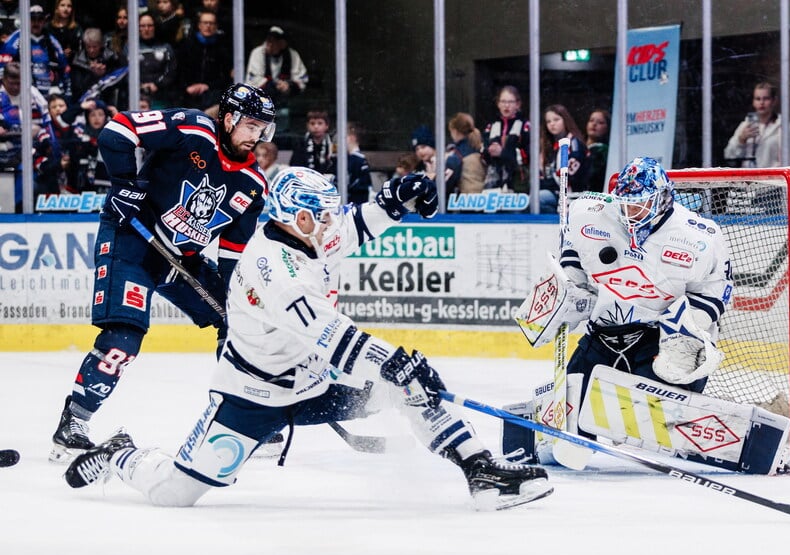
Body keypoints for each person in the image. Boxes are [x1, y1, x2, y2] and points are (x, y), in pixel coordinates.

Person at [62, 166, 553, 512]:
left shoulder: (304, 236)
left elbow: (355, 228)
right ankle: (121, 456)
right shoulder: (273, 269)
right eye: (320, 214)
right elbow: (332, 337)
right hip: (252, 395)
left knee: (406, 389)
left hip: (316, 385)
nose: (329, 222)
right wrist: (394, 360)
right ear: (296, 217)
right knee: (175, 492)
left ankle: (480, 470)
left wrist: (396, 197)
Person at [49, 83, 277, 463]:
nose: (257, 137)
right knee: (123, 337)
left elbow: (232, 255)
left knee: (237, 321)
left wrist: (239, 297)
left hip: (179, 261)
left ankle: (239, 418)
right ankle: (74, 422)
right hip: (133, 240)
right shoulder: (190, 128)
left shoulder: (252, 185)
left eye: (262, 129)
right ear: (231, 117)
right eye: (251, 126)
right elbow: (117, 130)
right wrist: (125, 186)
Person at [505, 157, 732, 462]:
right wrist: (568, 288)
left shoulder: (699, 236)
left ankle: (689, 421)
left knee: (652, 431)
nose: (630, 212)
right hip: (601, 338)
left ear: (663, 197)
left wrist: (684, 336)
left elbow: (715, 294)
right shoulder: (591, 214)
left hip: (655, 342)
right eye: (624, 203)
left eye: (640, 203)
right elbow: (573, 251)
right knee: (566, 433)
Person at [0, 61, 55, 212]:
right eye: (12, 83)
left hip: (23, 153)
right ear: (4, 79)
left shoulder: (32, 93)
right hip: (2, 151)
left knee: (30, 183)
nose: (16, 87)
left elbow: (43, 125)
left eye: (19, 83)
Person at [723, 81, 790, 167]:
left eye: (766, 98)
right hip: (749, 180)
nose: (761, 103)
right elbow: (729, 157)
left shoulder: (784, 127)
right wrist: (741, 140)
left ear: (774, 101)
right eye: (758, 99)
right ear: (753, 102)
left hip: (774, 181)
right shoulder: (745, 126)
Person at [0, 4, 71, 100]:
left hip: (48, 96)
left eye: (40, 19)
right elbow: (2, 68)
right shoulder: (15, 39)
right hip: (21, 94)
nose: (36, 23)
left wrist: (65, 94)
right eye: (32, 19)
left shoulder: (51, 41)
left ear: (44, 21)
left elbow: (64, 68)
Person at [244, 26, 308, 131]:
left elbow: (302, 79)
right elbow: (253, 82)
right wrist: (274, 85)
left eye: (275, 41)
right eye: (269, 40)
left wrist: (289, 85)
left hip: (285, 102)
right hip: (261, 102)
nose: (270, 44)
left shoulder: (292, 55)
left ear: (283, 43)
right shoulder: (258, 53)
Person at [538, 104, 590, 215]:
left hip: (572, 195)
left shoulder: (575, 142)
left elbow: (571, 174)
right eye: (548, 121)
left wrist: (550, 183)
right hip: (555, 192)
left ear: (565, 120)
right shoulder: (547, 146)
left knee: (538, 199)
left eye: (556, 119)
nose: (552, 124)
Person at [176, 9, 229, 115]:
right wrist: (187, 87)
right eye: (205, 23)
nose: (208, 26)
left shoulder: (223, 48)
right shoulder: (186, 45)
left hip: (212, 95)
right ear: (199, 25)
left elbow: (226, 77)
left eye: (211, 23)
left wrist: (207, 86)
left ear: (216, 26)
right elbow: (178, 71)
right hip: (187, 94)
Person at [482, 85, 530, 192]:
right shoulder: (492, 125)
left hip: (517, 180)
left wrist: (503, 153)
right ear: (498, 104)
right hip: (493, 180)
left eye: (510, 102)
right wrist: (488, 151)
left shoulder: (525, 126)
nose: (506, 105)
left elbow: (528, 155)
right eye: (503, 101)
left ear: (518, 104)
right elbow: (482, 152)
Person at [70, 28, 125, 109]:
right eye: (88, 47)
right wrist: (93, 75)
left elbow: (118, 82)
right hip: (85, 103)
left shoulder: (112, 59)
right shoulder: (77, 61)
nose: (91, 50)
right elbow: (77, 88)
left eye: (95, 47)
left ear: (101, 44)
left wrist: (104, 74)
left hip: (108, 102)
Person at [136, 11, 177, 109]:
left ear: (155, 27)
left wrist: (157, 85)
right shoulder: (130, 48)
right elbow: (126, 72)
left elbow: (171, 70)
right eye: (142, 26)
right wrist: (140, 85)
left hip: (161, 96)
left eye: (150, 25)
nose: (146, 29)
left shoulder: (166, 47)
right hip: (136, 96)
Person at [332, 121, 372, 205]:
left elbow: (362, 186)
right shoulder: (342, 159)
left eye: (341, 137)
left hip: (355, 205)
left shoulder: (359, 160)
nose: (337, 141)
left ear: (352, 138)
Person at [447, 112, 484, 195]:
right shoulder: (479, 147)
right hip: (484, 198)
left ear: (454, 131)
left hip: (466, 200)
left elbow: (448, 182)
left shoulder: (456, 154)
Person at [290, 109, 334, 175]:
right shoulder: (301, 145)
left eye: (320, 123)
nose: (316, 127)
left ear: (326, 126)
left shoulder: (332, 144)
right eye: (312, 123)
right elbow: (295, 167)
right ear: (307, 126)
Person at [47, 0, 82, 65]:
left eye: (69, 6)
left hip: (72, 66)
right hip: (52, 66)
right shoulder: (48, 27)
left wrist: (71, 53)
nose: (66, 9)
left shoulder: (76, 28)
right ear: (57, 8)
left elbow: (80, 49)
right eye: (62, 5)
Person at [585, 109, 610, 191]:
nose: (594, 124)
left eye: (600, 122)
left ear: (607, 127)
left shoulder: (603, 151)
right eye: (591, 120)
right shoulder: (578, 147)